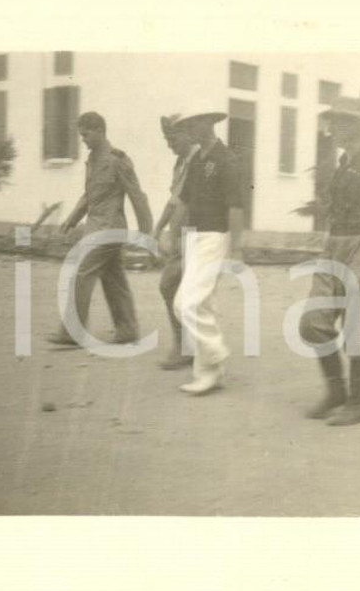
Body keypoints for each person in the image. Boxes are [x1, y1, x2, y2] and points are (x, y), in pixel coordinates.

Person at [299, 97, 360, 427]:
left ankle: (357, 402)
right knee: (312, 321)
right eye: (332, 121)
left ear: (358, 126)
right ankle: (336, 390)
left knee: (358, 327)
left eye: (340, 122)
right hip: (335, 246)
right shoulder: (343, 163)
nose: (333, 128)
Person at [48, 111, 153, 348]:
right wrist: (72, 219)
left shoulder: (118, 160)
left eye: (85, 134)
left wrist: (147, 232)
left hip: (109, 229)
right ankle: (127, 330)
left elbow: (137, 196)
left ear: (99, 131)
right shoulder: (93, 160)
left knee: (81, 271)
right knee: (113, 278)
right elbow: (90, 195)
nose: (82, 140)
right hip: (96, 228)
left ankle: (72, 332)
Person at [171, 106, 245, 395]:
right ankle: (209, 374)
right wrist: (173, 235)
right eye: (185, 125)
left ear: (208, 123)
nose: (188, 130)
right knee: (204, 304)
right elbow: (184, 201)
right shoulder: (196, 161)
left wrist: (236, 248)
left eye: (193, 124)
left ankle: (216, 352)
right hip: (194, 237)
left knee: (185, 303)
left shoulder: (227, 160)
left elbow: (236, 205)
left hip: (215, 236)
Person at [151, 114, 199, 370]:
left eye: (173, 139)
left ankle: (187, 348)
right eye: (166, 139)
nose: (170, 145)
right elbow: (173, 200)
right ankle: (187, 347)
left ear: (188, 134)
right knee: (175, 288)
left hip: (196, 236)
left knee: (171, 286)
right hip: (179, 236)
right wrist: (159, 227)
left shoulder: (200, 162)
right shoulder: (180, 163)